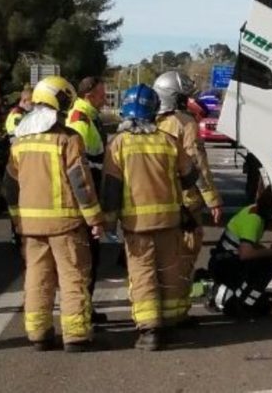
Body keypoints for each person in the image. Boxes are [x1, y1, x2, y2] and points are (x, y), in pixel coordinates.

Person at [3, 76, 104, 352]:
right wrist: (95, 219)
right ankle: (76, 335)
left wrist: (17, 219)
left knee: (37, 277)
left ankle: (39, 333)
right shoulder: (68, 139)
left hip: (30, 226)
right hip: (65, 224)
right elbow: (81, 184)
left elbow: (9, 186)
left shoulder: (19, 143)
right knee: (73, 277)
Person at [101, 84, 198, 351]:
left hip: (137, 225)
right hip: (169, 221)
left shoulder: (118, 144)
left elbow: (111, 190)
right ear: (154, 111)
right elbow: (190, 176)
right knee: (169, 271)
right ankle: (171, 321)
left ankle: (149, 330)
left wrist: (108, 223)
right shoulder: (168, 141)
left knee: (143, 274)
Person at [152, 70, 223, 323]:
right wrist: (212, 199)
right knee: (182, 258)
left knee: (154, 263)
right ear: (176, 97)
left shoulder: (149, 123)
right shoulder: (185, 123)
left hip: (155, 203)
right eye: (185, 97)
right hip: (185, 203)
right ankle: (177, 312)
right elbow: (197, 165)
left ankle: (153, 312)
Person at [208, 184, 272, 318]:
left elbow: (246, 245)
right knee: (268, 264)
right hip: (226, 265)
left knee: (263, 303)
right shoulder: (255, 220)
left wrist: (269, 250)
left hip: (223, 261)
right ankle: (241, 305)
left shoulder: (253, 210)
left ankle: (244, 298)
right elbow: (245, 254)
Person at [67, 76, 108, 323]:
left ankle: (86, 308)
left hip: (89, 193)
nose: (105, 98)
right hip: (85, 198)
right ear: (89, 95)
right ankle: (83, 310)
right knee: (86, 258)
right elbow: (78, 166)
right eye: (102, 94)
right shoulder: (80, 120)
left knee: (90, 257)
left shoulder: (89, 117)